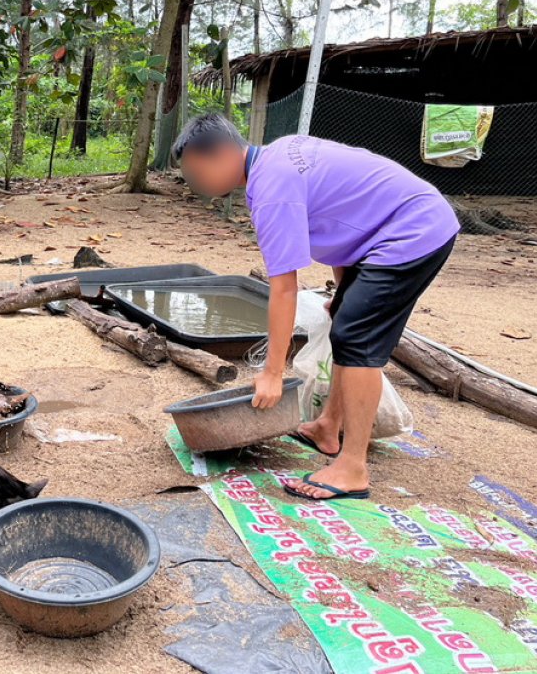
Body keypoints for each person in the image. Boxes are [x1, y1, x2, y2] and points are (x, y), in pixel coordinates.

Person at [172, 114, 459, 501]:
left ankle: (352, 467)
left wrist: (273, 373)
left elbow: (285, 288)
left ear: (221, 153)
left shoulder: (272, 187)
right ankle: (328, 427)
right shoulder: (275, 160)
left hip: (413, 229)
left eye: (196, 173)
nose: (198, 187)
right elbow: (344, 219)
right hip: (394, 228)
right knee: (346, 321)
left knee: (356, 337)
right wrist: (344, 294)